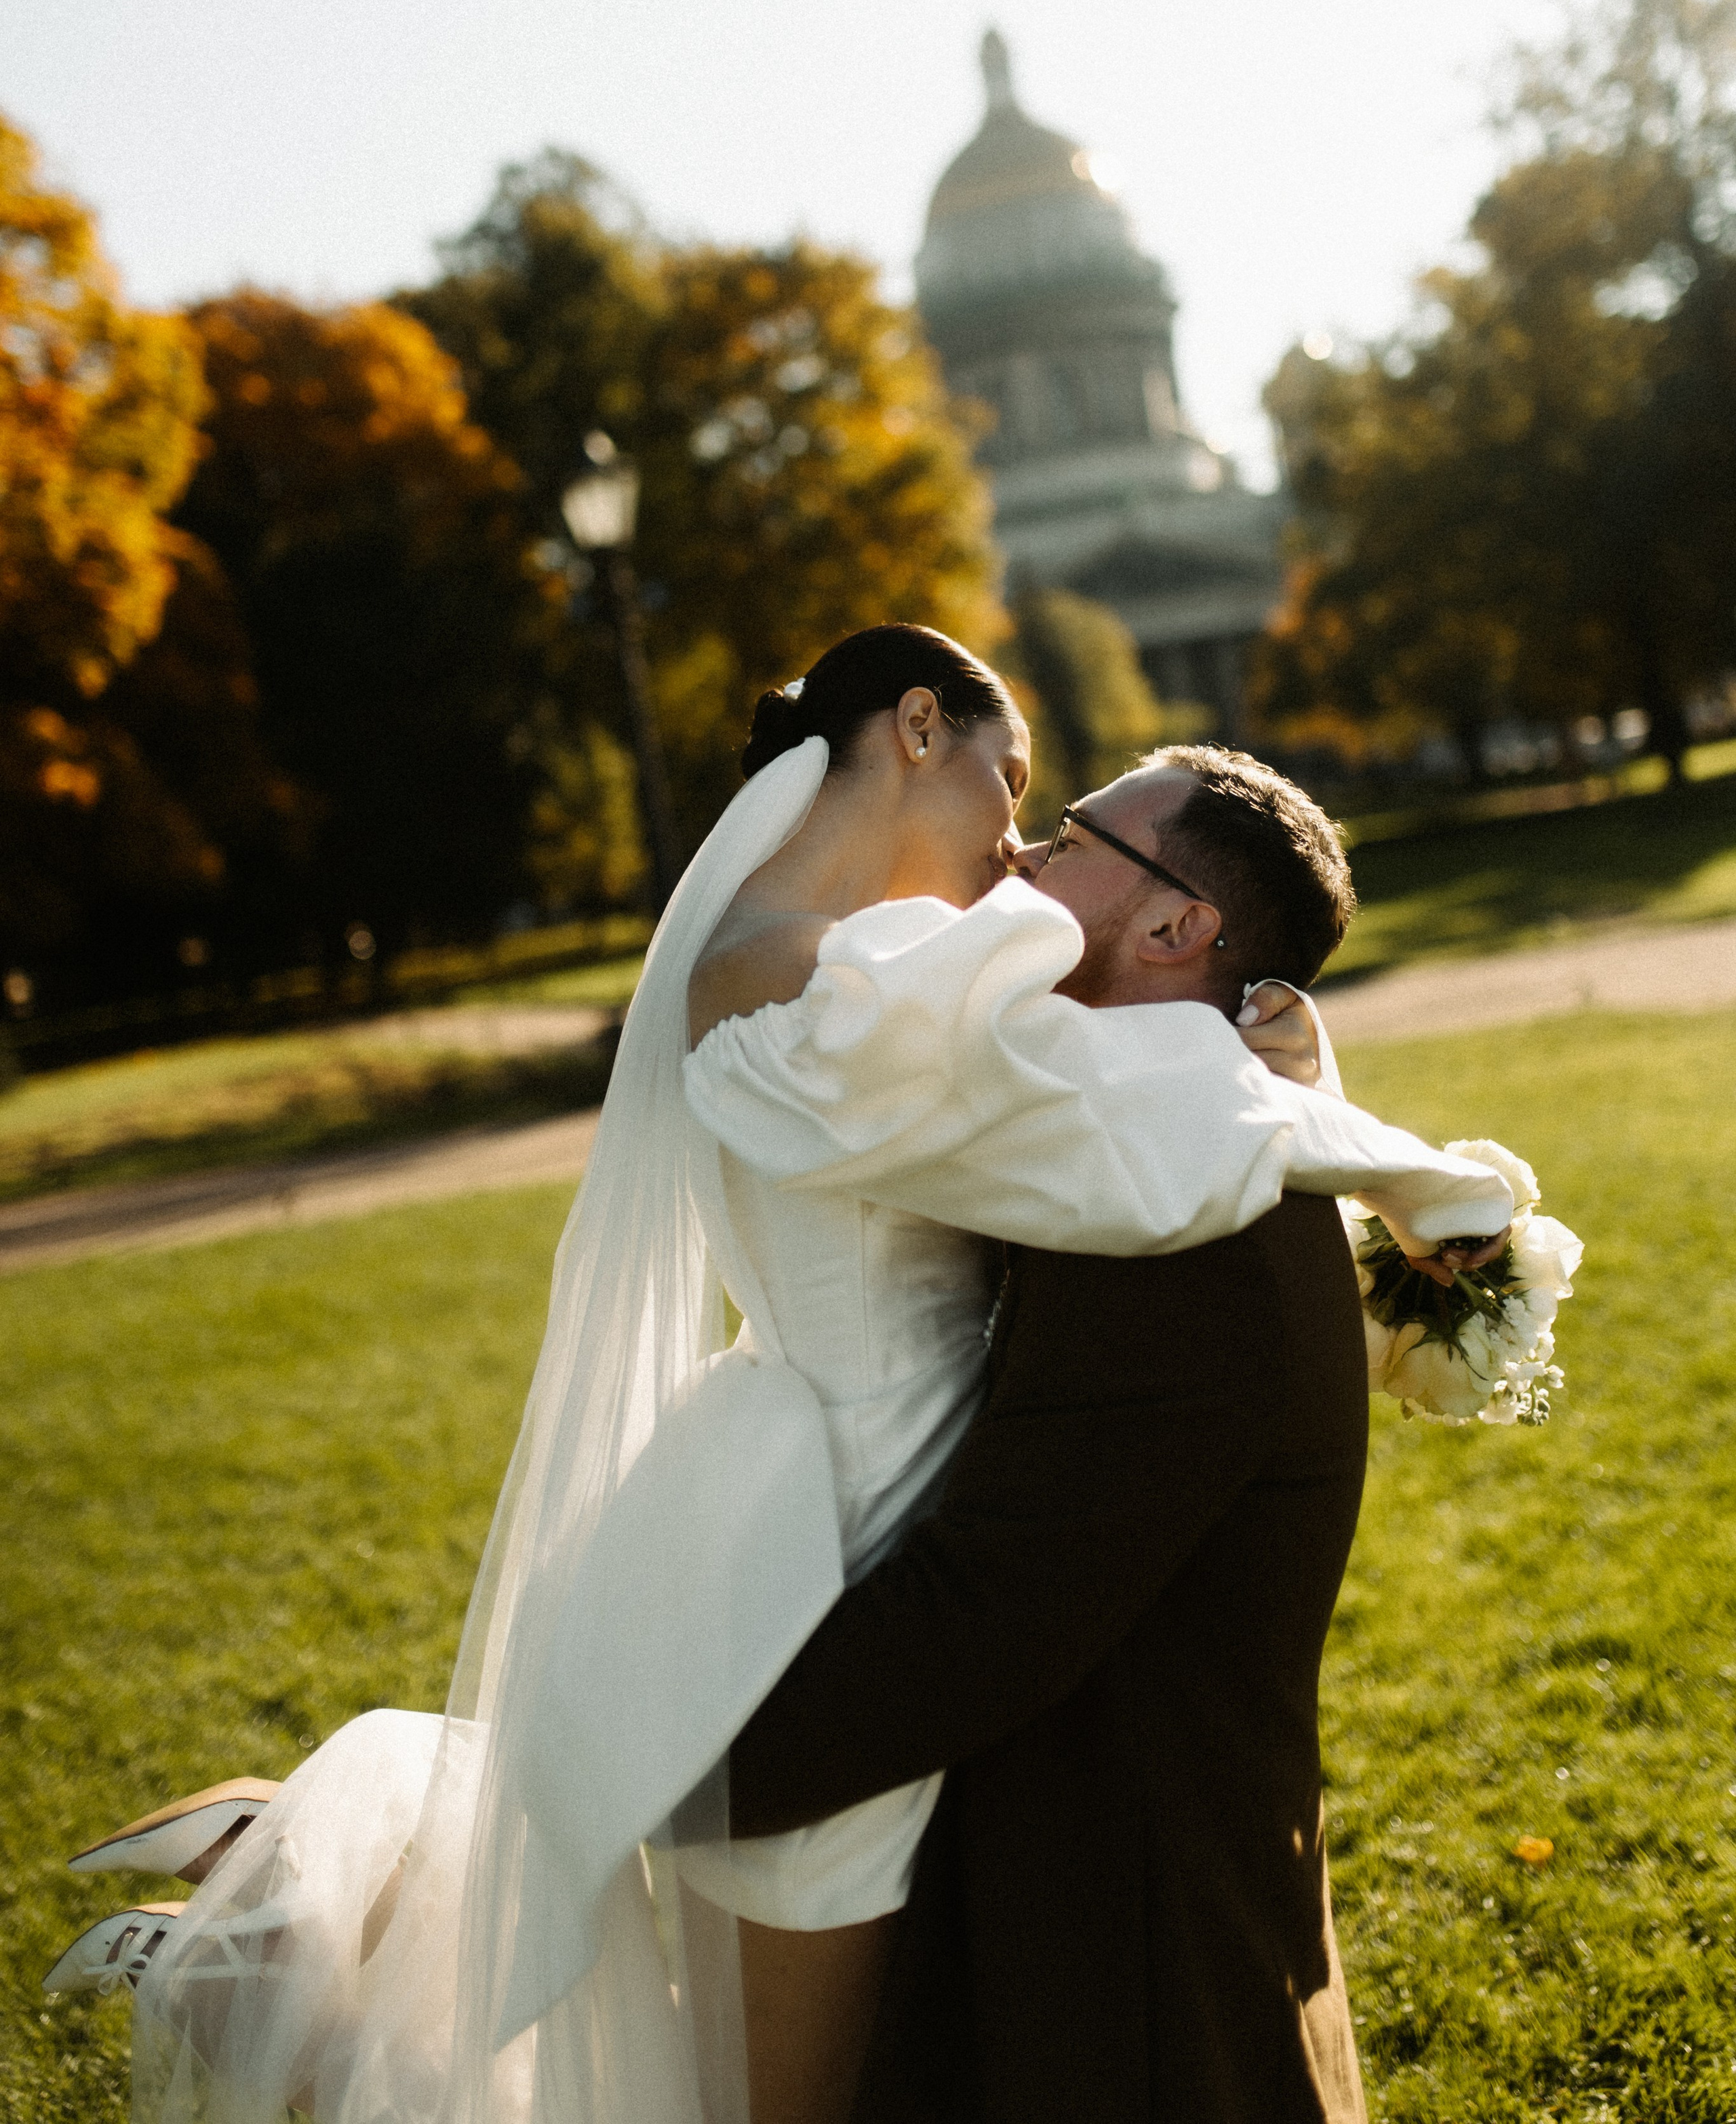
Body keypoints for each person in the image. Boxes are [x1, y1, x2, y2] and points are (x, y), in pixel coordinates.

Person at [56, 627, 1512, 2124]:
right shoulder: (873, 1000)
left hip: (797, 1522)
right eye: (1019, 797)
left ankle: (340, 1889)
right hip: (833, 1528)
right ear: (914, 730)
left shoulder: (892, 996)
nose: (1021, 849)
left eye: (1063, 826)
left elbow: (1112, 1135)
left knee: (708, 2062)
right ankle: (323, 1913)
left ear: (1170, 926)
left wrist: (1322, 1118)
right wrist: (1377, 1157)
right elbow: (1110, 1135)